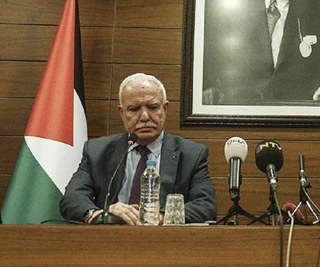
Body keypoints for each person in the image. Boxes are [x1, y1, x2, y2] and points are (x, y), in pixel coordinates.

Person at [60, 73, 217, 225]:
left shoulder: (191, 154)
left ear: (165, 109)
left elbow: (206, 206)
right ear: (122, 113)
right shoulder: (97, 151)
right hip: (108, 241)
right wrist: (100, 214)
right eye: (134, 109)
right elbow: (72, 198)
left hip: (165, 243)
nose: (144, 117)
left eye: (153, 107)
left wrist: (161, 217)